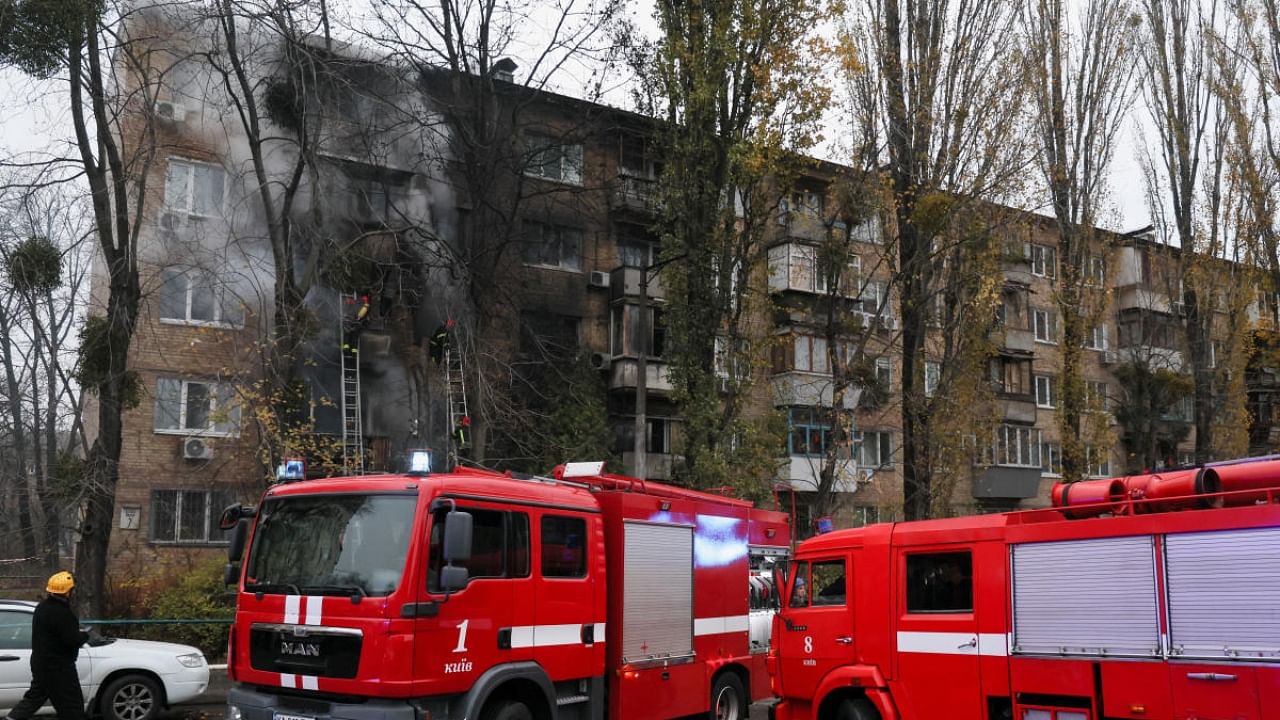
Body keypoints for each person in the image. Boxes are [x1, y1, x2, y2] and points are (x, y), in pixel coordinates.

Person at [9, 571, 90, 720]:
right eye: (72, 589)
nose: (74, 592)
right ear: (67, 592)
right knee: (72, 707)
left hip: (41, 663)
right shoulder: (62, 613)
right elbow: (72, 640)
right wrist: (84, 635)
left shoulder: (42, 608)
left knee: (33, 699)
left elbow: (54, 634)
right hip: (59, 668)